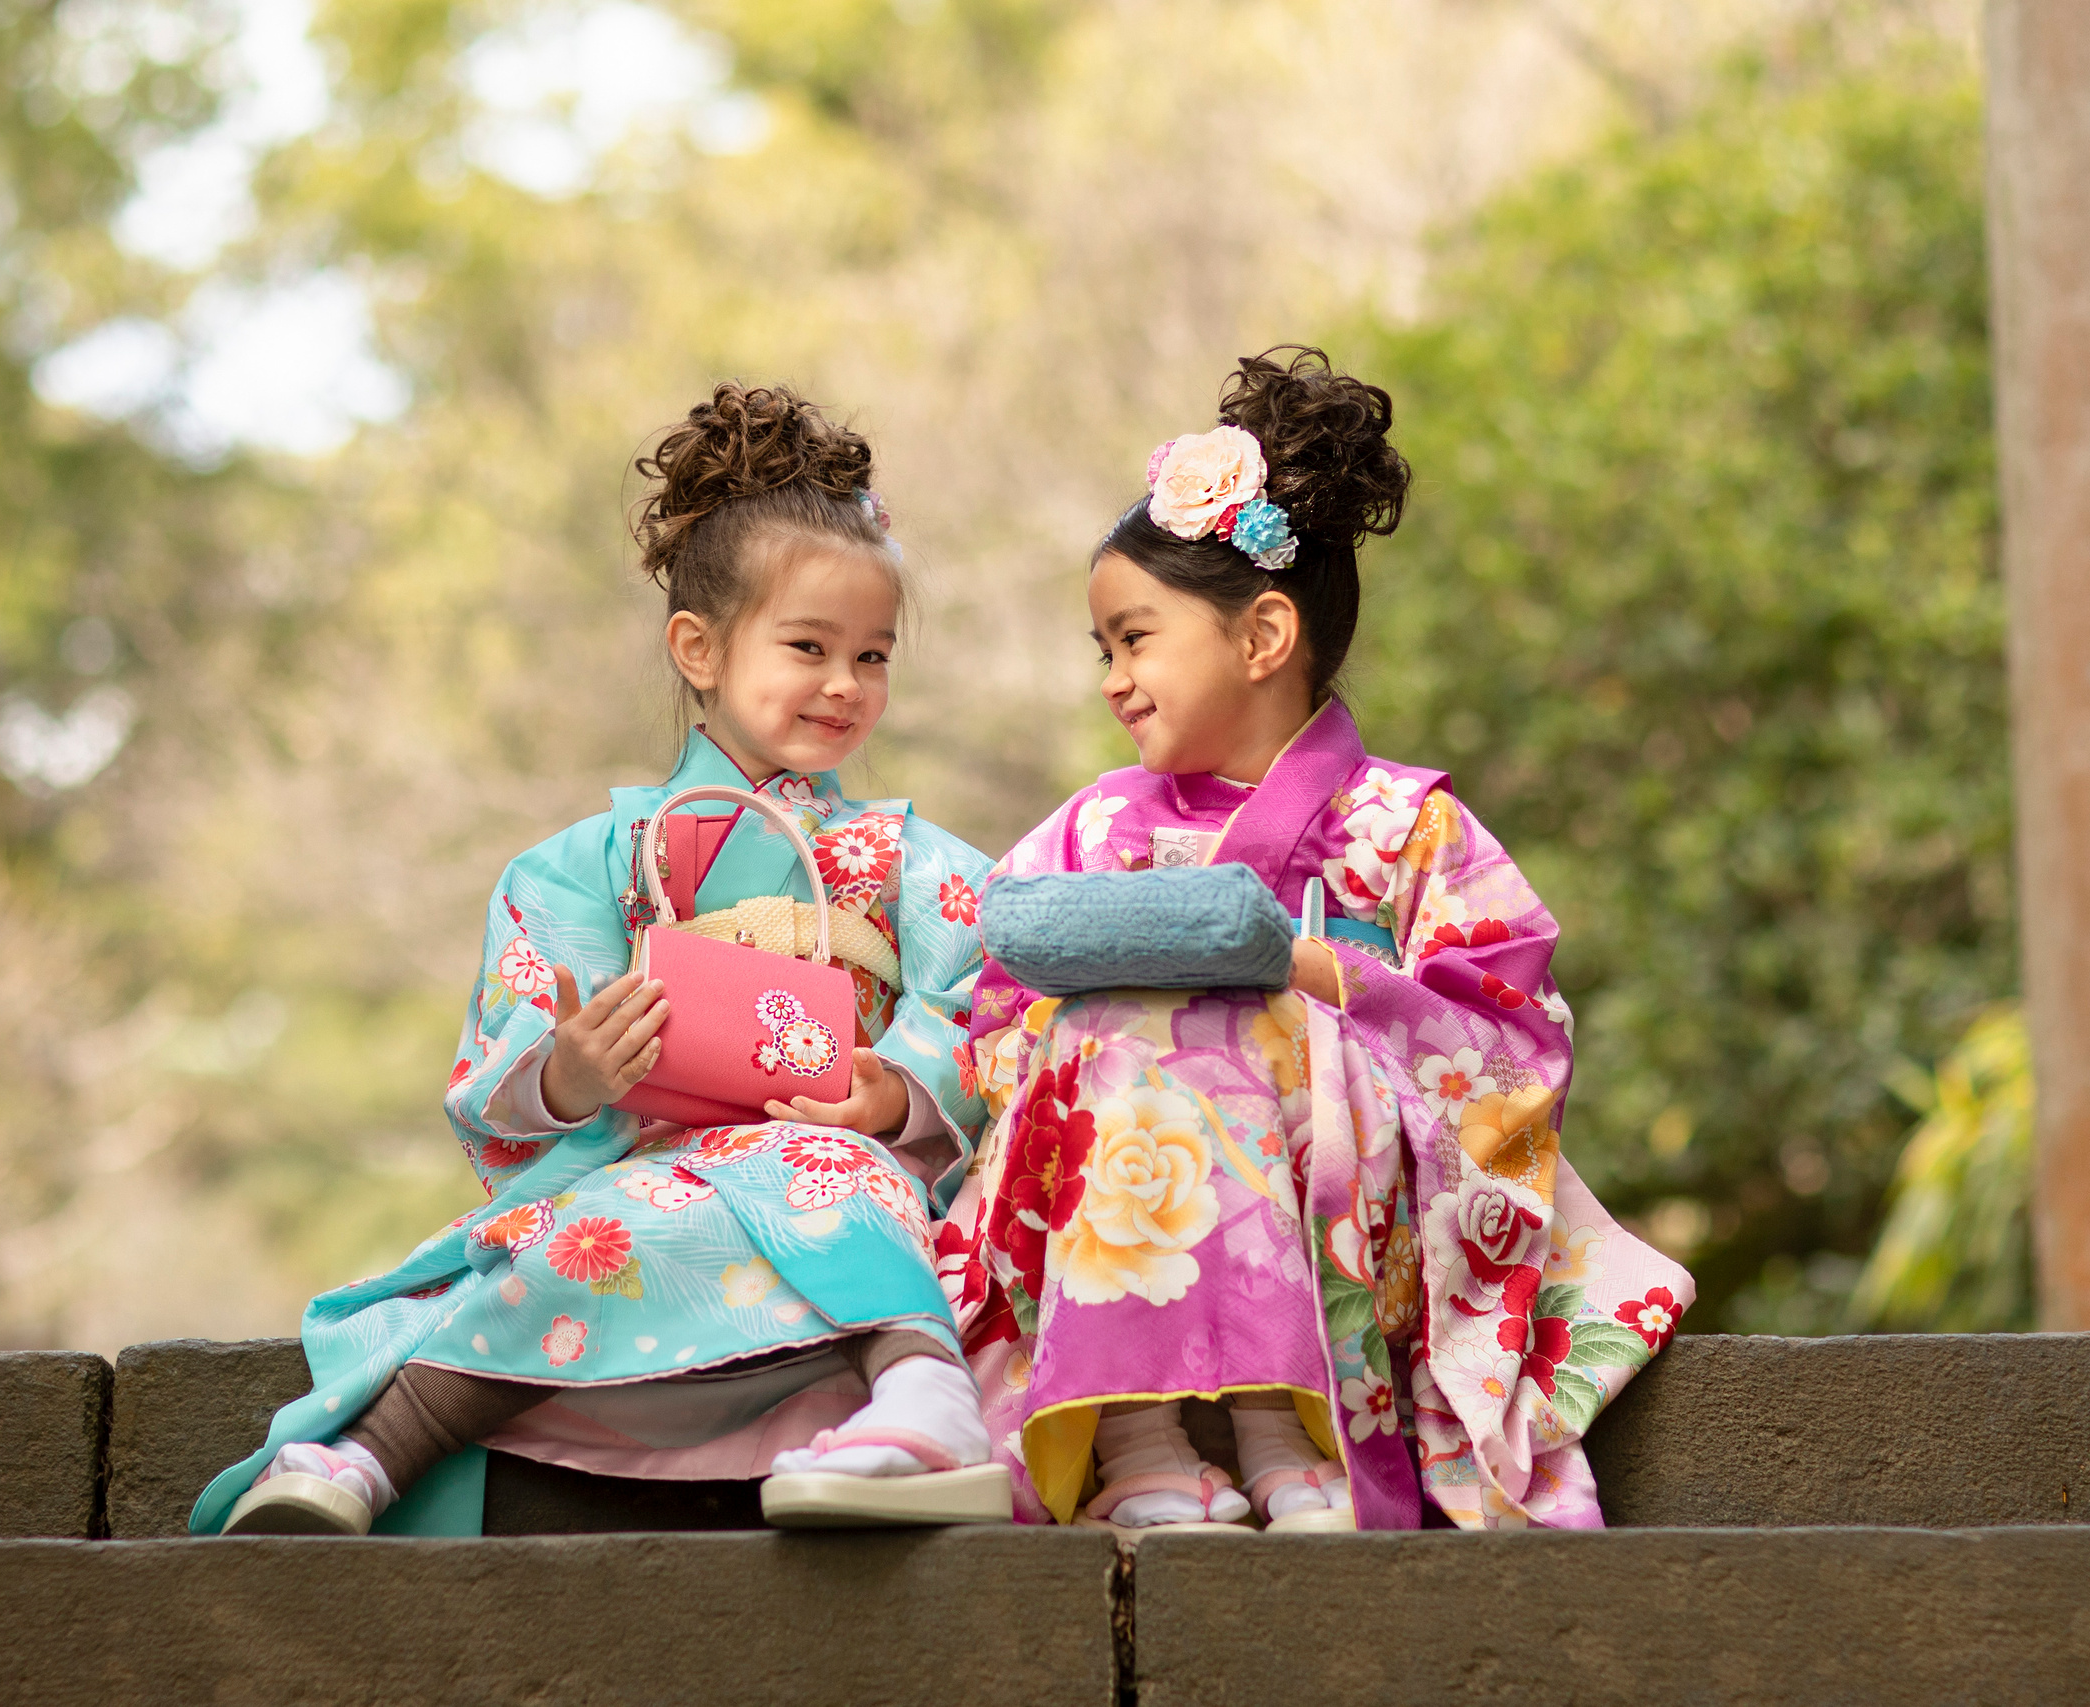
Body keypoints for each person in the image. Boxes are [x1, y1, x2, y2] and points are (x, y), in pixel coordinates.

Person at [197, 381, 1006, 1536]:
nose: (844, 684)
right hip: (645, 1173)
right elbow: (522, 1038)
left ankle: (924, 1399)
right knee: (576, 1242)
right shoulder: (582, 864)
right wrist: (570, 1070)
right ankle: (359, 1462)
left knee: (831, 1178)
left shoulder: (907, 856)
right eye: (808, 647)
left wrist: (893, 1091)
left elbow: (984, 991)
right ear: (698, 648)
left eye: (871, 656)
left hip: (831, 1150)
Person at [936, 348, 1695, 1533]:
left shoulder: (1407, 826)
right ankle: (1134, 1434)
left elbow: (1510, 1042)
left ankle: (1289, 1422)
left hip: (1347, 1185)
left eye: (1135, 639)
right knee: (1118, 1032)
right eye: (1104, 651)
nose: (1114, 681)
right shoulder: (1086, 828)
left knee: (1233, 1028)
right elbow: (989, 1006)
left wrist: (1307, 977)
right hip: (1109, 1162)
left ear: (1262, 636)